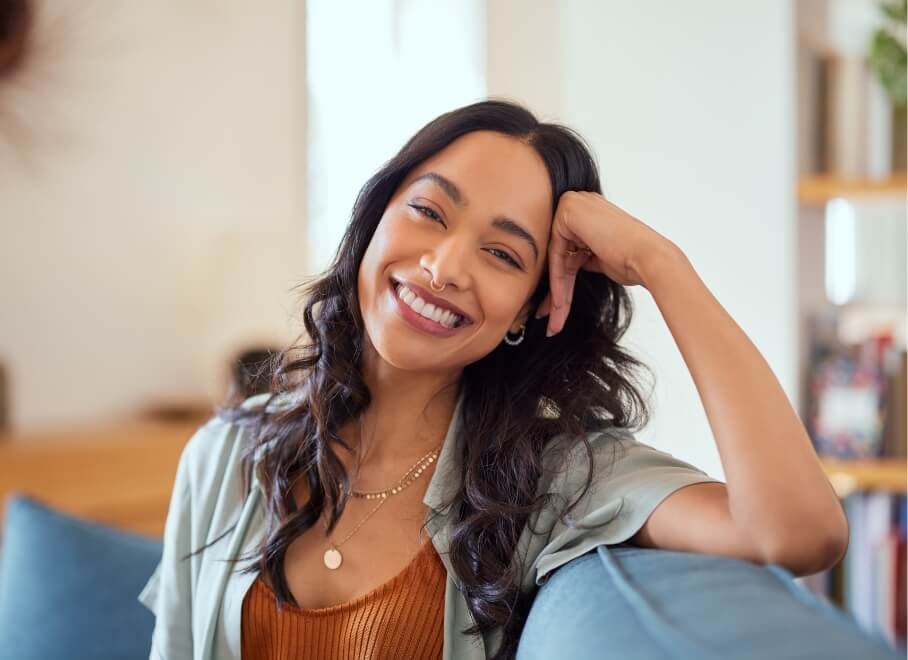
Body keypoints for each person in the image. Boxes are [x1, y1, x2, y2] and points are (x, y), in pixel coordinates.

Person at [137, 99, 847, 660]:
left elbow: (796, 532)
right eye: (427, 211)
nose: (446, 266)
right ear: (374, 217)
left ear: (531, 308)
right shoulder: (226, 453)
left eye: (503, 255)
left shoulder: (551, 476)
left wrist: (661, 265)